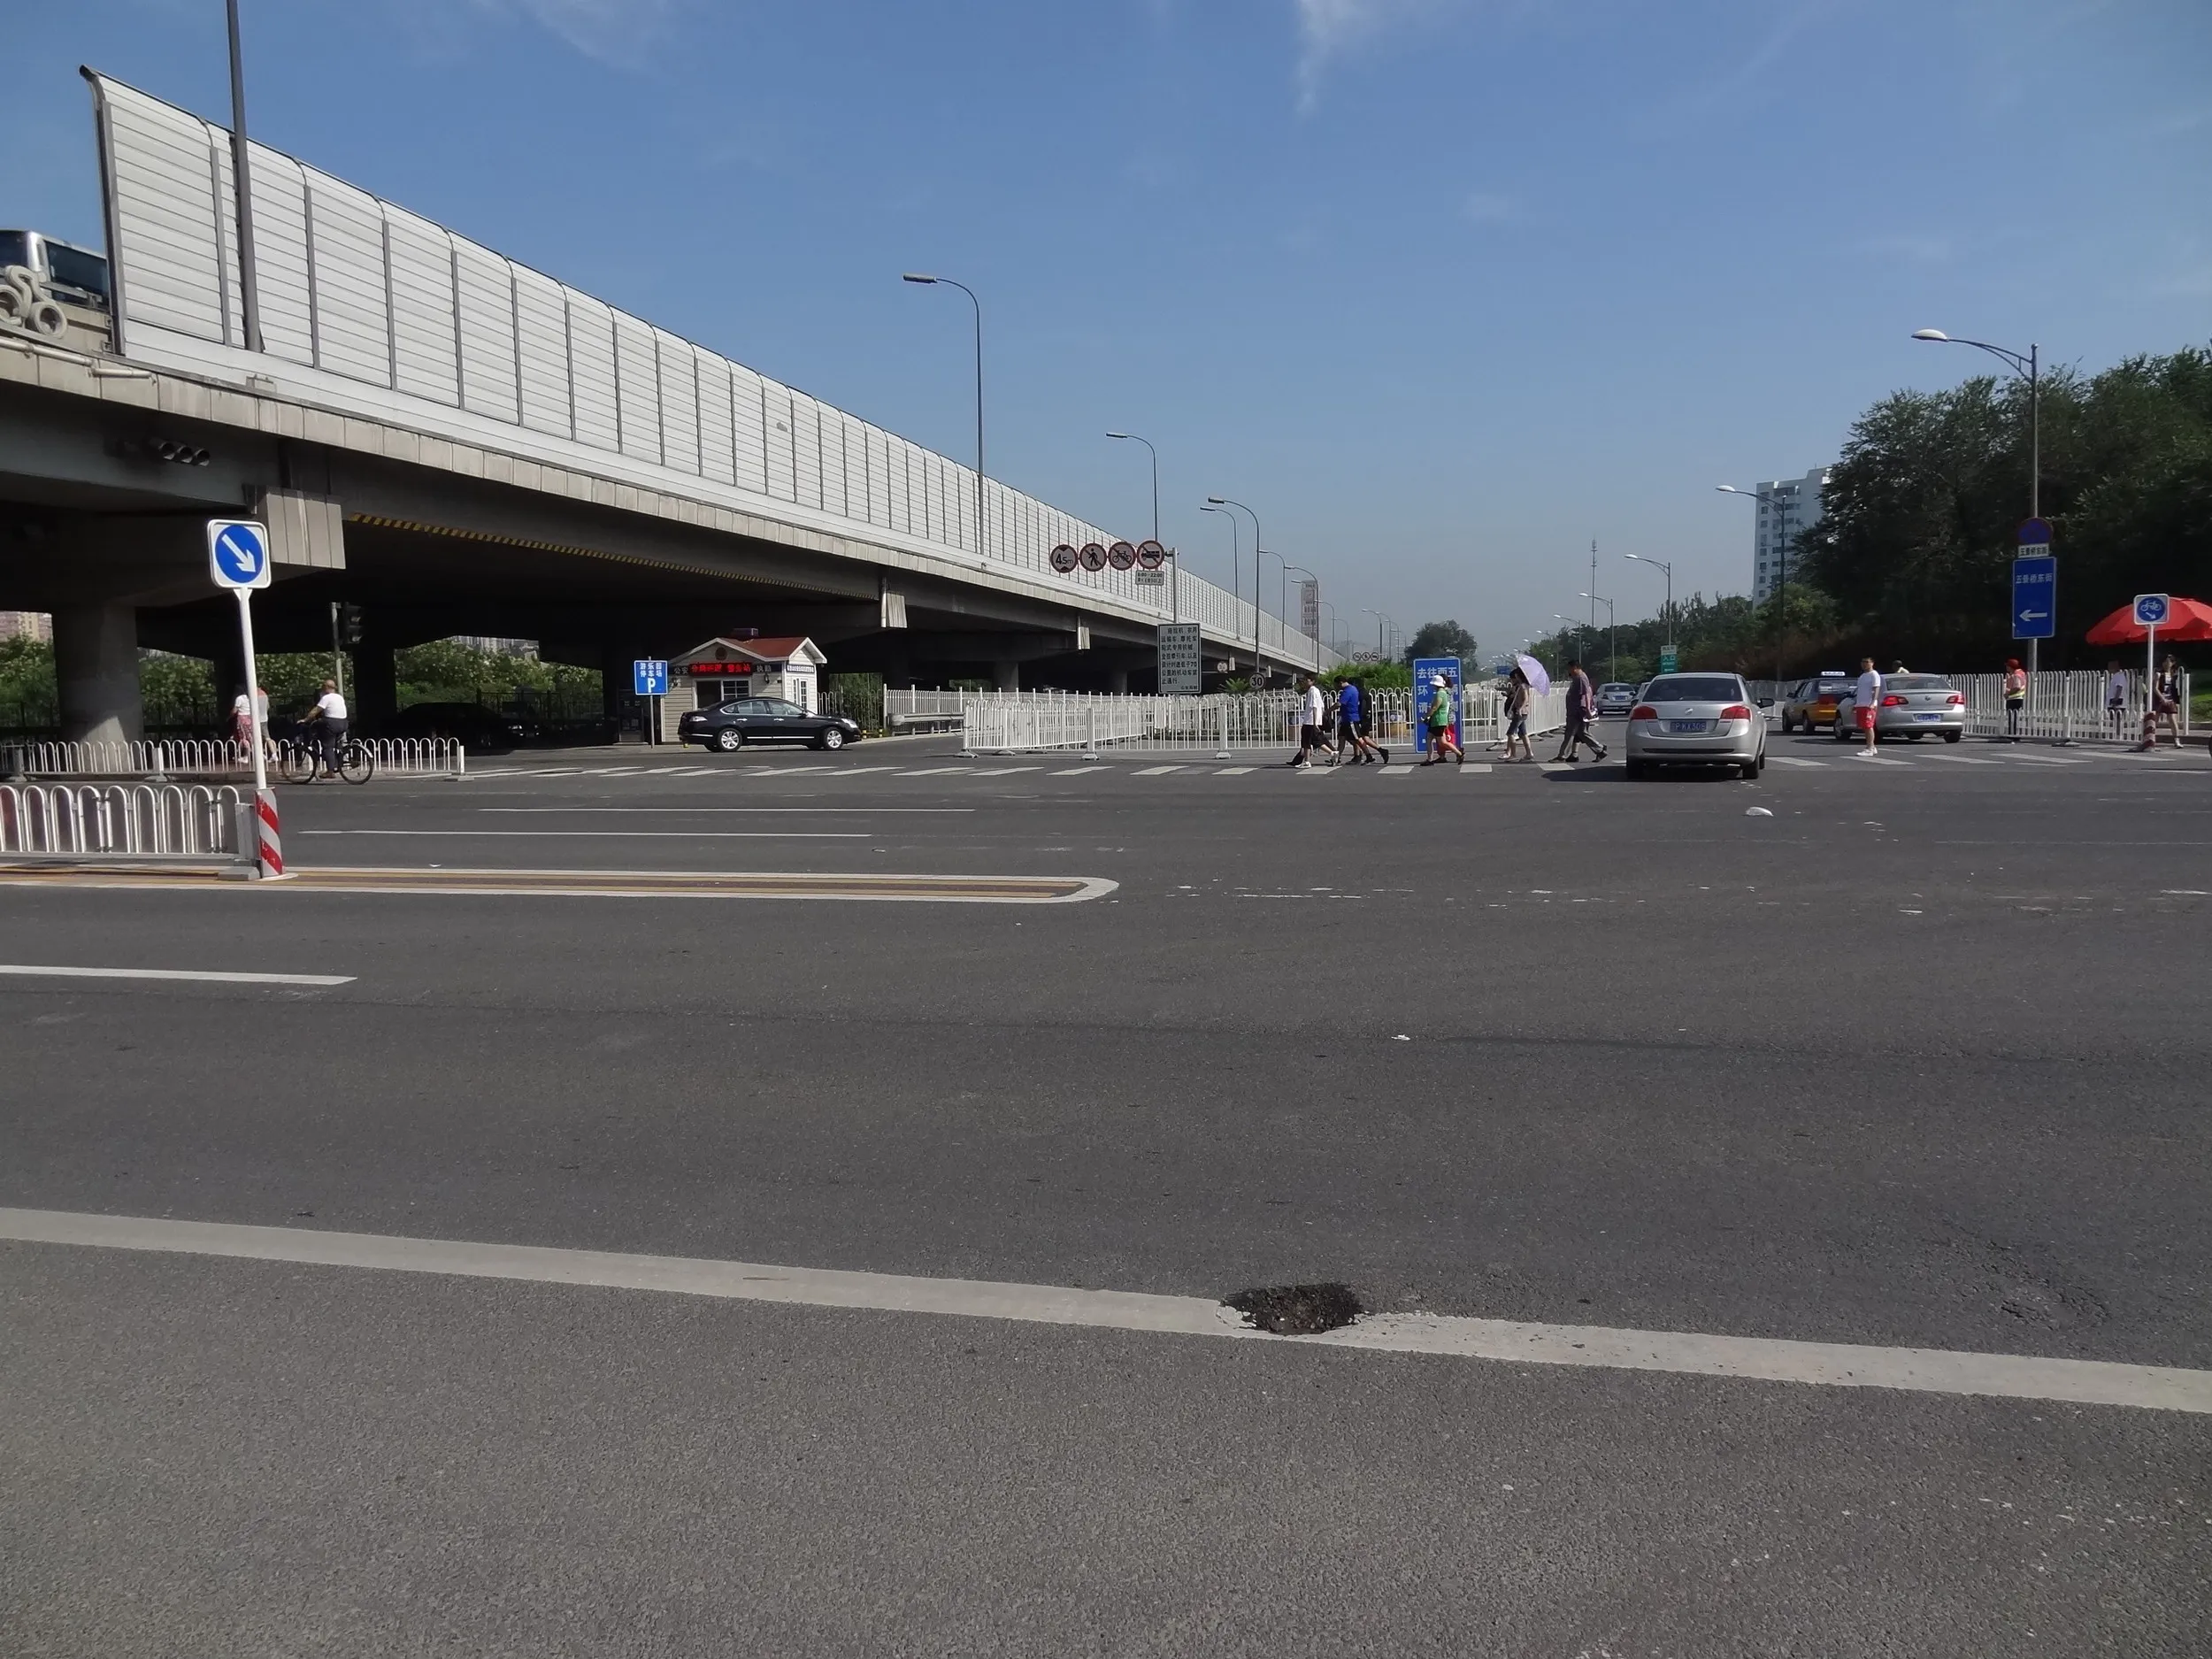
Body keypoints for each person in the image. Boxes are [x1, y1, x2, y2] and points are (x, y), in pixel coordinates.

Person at [1551, 660, 1607, 763]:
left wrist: (1588, 710)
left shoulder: (1581, 678)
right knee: (1582, 733)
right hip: (1576, 709)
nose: (1569, 671)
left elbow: (1586, 694)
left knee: (1570, 733)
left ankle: (1562, 756)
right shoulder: (1577, 678)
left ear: (1575, 667)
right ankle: (1599, 750)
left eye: (1569, 668)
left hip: (1577, 710)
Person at [1333, 675, 1387, 766]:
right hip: (1350, 718)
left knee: (1360, 738)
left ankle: (1371, 755)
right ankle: (1340, 758)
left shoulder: (1352, 691)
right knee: (1344, 738)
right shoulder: (1357, 691)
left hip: (1354, 718)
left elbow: (1341, 704)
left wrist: (1327, 711)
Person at [310, 678, 349, 780]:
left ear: (327, 687)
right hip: (344, 723)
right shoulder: (339, 697)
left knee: (327, 746)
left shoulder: (326, 697)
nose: (322, 689)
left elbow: (316, 710)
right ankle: (340, 759)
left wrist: (305, 719)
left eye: (323, 686)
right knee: (335, 743)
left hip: (332, 723)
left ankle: (330, 771)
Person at [1421, 674, 1463, 765]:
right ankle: (1429, 759)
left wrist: (1425, 717)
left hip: (1438, 721)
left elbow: (1434, 707)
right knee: (1429, 739)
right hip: (1436, 721)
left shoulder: (1440, 694)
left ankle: (1459, 753)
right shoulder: (1443, 693)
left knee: (1442, 742)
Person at [1288, 675, 1329, 767]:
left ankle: (1307, 761)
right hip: (1312, 720)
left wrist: (1315, 722)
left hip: (1310, 721)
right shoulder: (1314, 691)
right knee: (1315, 741)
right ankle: (1332, 753)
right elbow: (1321, 706)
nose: (1305, 682)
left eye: (1307, 680)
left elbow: (1314, 707)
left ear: (1312, 681)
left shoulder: (1312, 691)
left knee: (1308, 741)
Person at [1502, 666, 1535, 763]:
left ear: (1517, 676)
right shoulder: (1523, 686)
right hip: (1523, 713)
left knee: (1510, 733)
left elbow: (1525, 699)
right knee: (1523, 734)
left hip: (1520, 713)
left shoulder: (1523, 686)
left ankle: (1513, 754)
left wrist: (1520, 708)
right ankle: (1529, 753)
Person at [1851, 656, 1882, 757]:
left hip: (1869, 705)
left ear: (1872, 663)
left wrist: (1873, 702)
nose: (1864, 664)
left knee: (1869, 726)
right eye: (1863, 662)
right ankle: (1872, 746)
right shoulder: (1862, 676)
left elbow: (1876, 689)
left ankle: (1870, 748)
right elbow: (1860, 691)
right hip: (1861, 704)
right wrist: (1856, 704)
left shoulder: (1874, 674)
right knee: (1864, 726)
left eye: (1867, 662)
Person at [2152, 655, 2185, 749]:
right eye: (2164, 662)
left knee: (2173, 720)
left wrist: (2176, 700)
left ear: (2172, 663)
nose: (2166, 664)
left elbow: (2175, 688)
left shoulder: (2174, 674)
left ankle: (2176, 741)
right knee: (2155, 720)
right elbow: (2155, 688)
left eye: (2168, 662)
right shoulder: (2159, 674)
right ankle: (2151, 739)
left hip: (2170, 699)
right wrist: (2162, 698)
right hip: (2160, 699)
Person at [2002, 657, 2028, 742]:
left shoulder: (2016, 675)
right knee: (2014, 718)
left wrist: (2008, 694)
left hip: (2014, 699)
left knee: (2012, 718)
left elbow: (2017, 687)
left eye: (2008, 666)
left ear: (2011, 667)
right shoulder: (2020, 674)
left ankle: (2013, 735)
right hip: (2017, 698)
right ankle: (2013, 734)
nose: (2006, 667)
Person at [2106, 660, 2129, 741]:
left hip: (2118, 702)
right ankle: (2117, 734)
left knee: (2118, 719)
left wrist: (2115, 700)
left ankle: (2119, 735)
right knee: (2115, 719)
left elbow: (2119, 688)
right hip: (2114, 701)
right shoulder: (2115, 676)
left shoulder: (2119, 676)